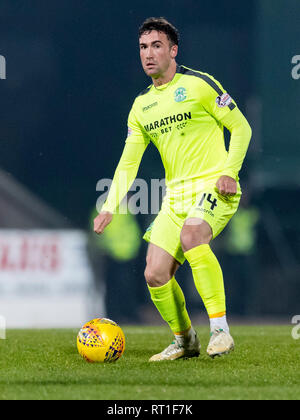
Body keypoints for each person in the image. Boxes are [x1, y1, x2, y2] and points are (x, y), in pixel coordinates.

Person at [94, 17, 252, 361]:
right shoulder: (141, 107)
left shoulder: (199, 85)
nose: (148, 54)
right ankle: (185, 340)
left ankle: (221, 330)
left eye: (156, 46)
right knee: (154, 272)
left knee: (193, 237)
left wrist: (230, 171)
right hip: (176, 196)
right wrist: (110, 205)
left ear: (173, 50)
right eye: (143, 47)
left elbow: (241, 128)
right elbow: (128, 162)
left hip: (215, 186)